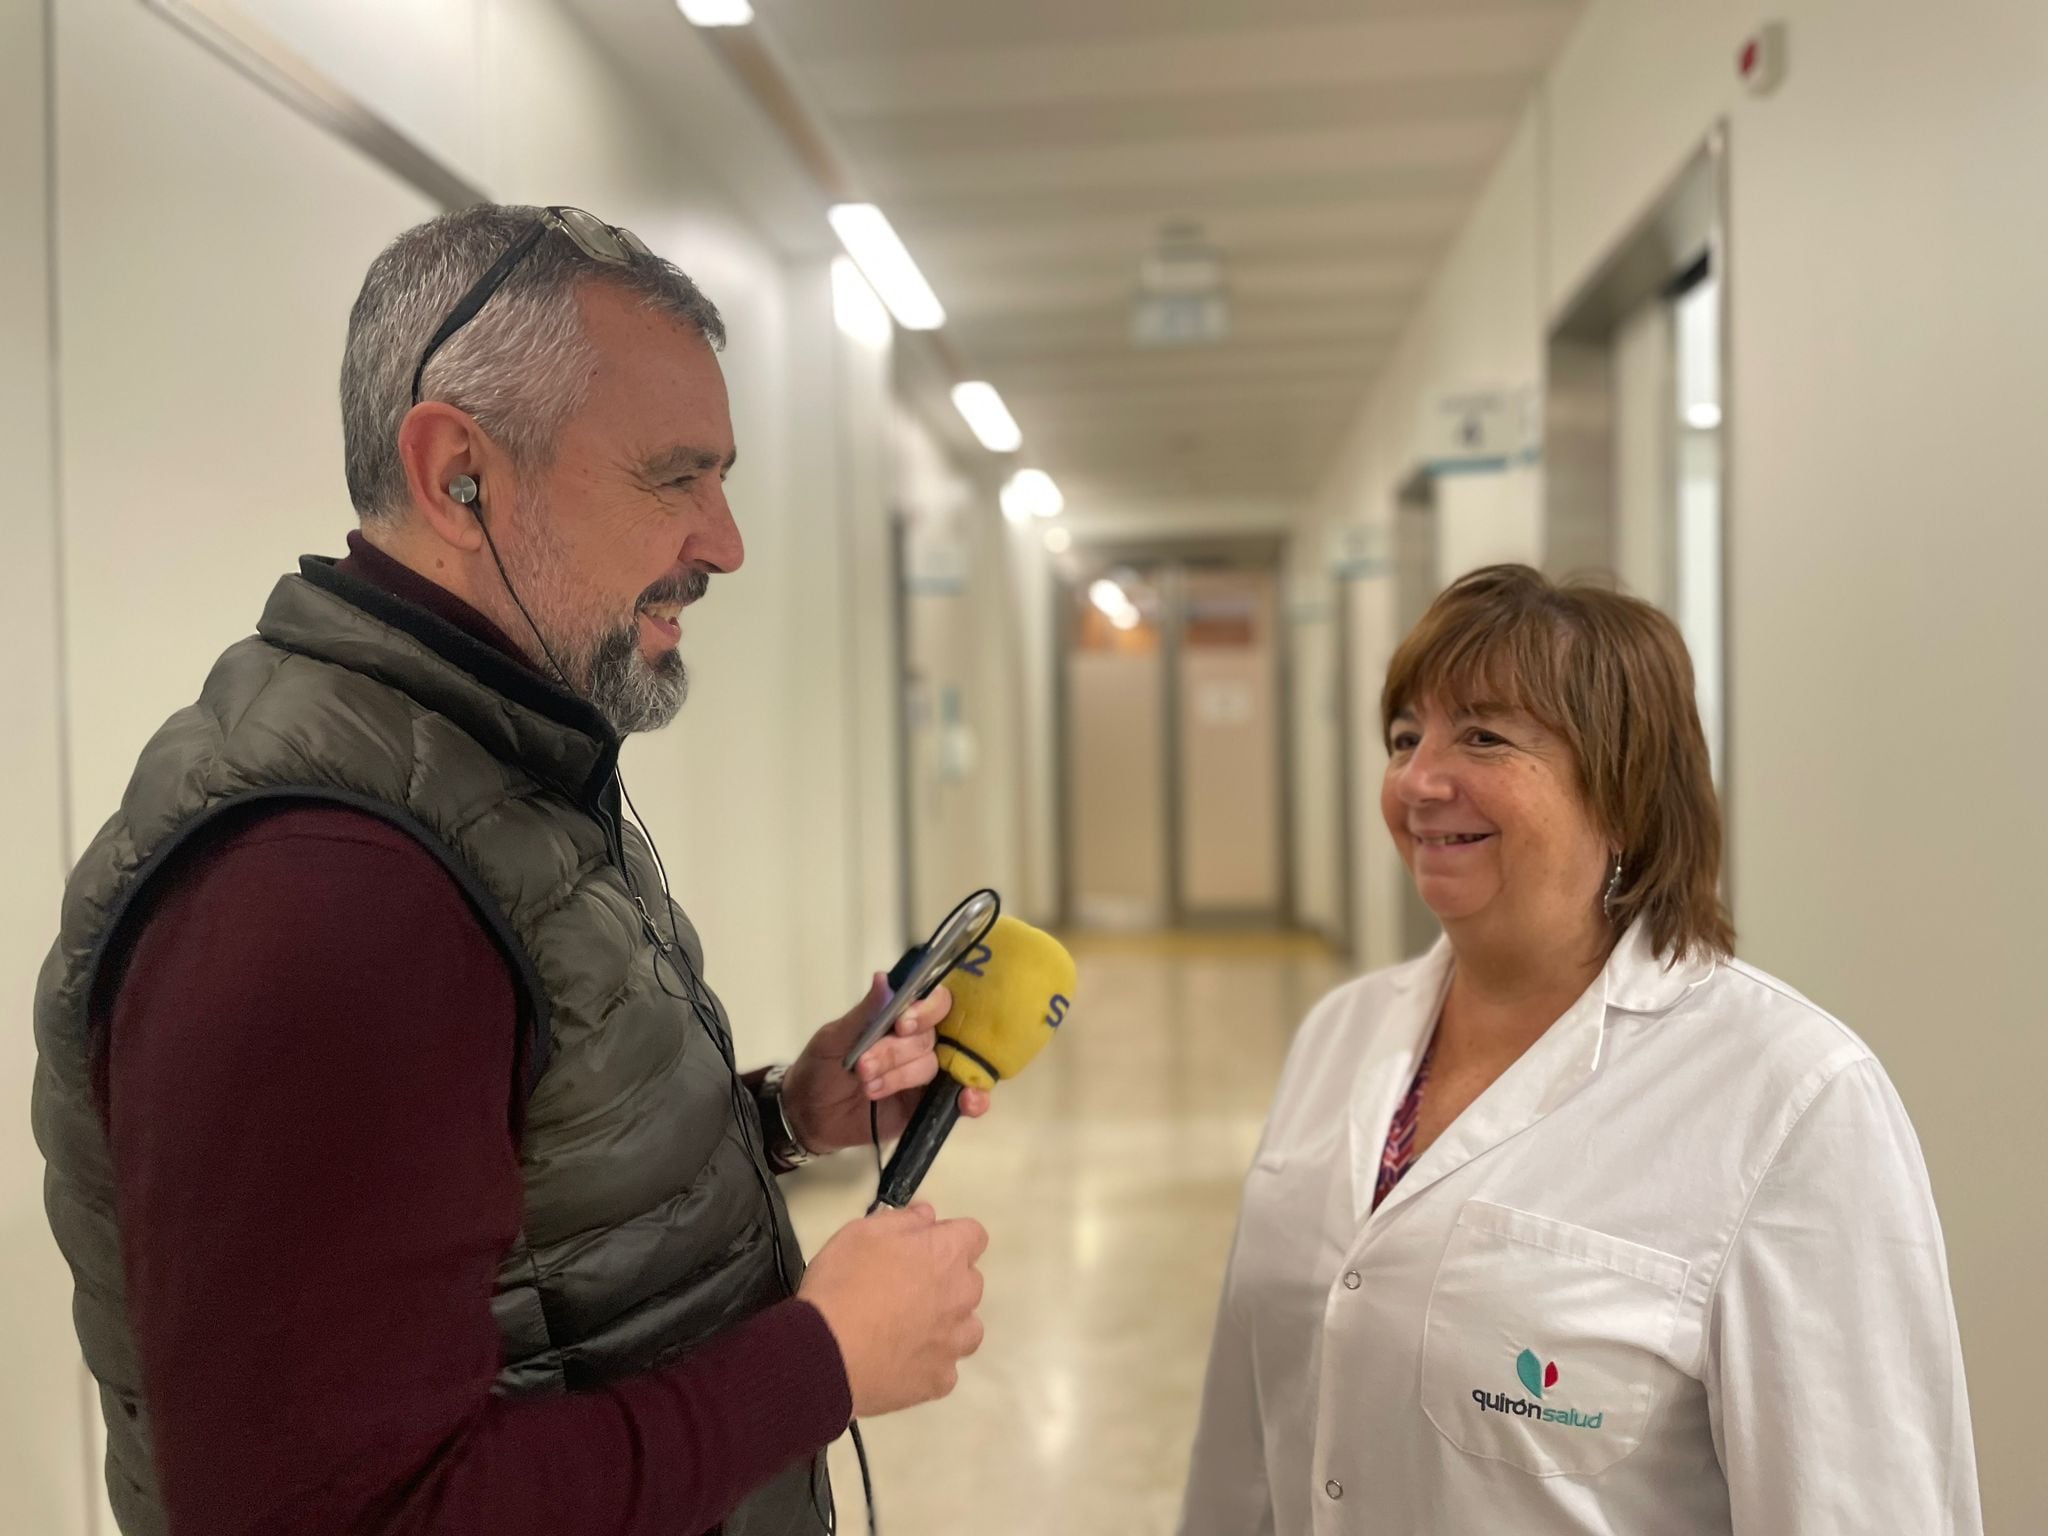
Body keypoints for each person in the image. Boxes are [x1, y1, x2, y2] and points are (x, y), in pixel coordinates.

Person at [32, 203, 992, 1536]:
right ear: (456, 475)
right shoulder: (320, 885)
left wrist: (781, 1113)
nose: (725, 541)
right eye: (676, 476)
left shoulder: (486, 765)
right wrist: (818, 1363)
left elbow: (494, 1214)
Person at [1178, 565, 1981, 1534]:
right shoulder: (1339, 1032)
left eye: (1481, 734)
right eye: (1405, 736)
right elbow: (1248, 1436)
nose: (1417, 782)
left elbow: (1857, 1503)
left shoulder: (1790, 1096)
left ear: (1625, 788)